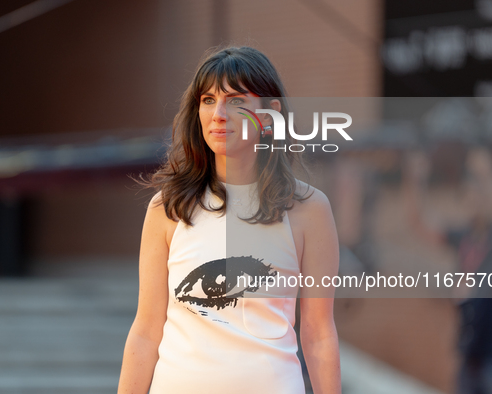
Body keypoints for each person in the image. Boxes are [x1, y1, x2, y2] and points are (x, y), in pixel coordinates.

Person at [116, 46, 342, 394]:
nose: (218, 114)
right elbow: (146, 330)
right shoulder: (168, 207)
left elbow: (319, 334)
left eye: (235, 100)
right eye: (207, 100)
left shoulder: (309, 209)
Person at [404, 148, 492, 394]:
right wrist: (415, 178)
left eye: (480, 194)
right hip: (470, 357)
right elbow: (420, 222)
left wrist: (488, 174)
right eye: (469, 194)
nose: (474, 199)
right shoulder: (465, 239)